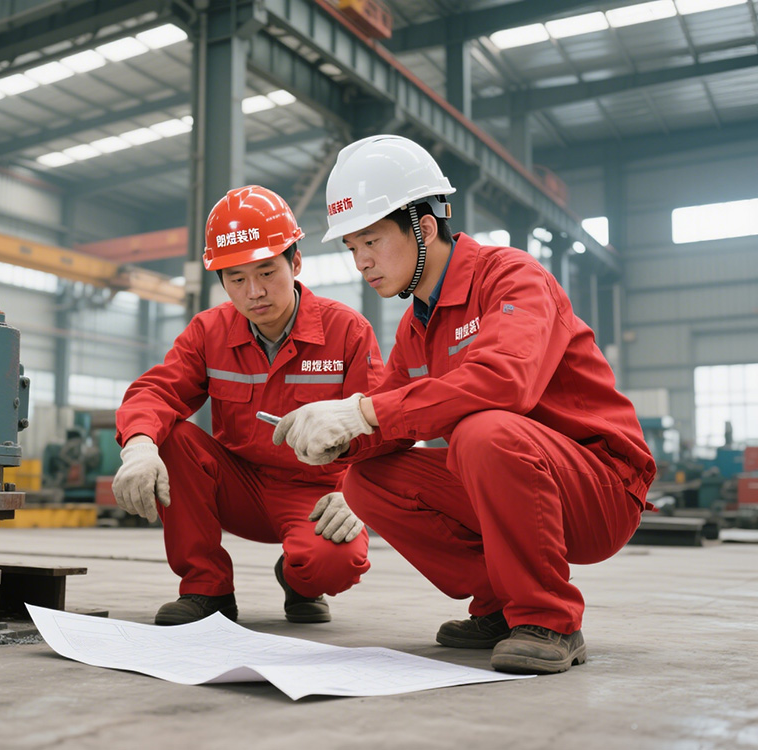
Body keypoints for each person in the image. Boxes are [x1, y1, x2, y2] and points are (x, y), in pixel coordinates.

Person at [272, 135, 656, 674]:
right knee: (368, 480)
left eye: (371, 241)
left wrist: (360, 413)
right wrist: (337, 439)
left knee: (484, 430)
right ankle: (501, 605)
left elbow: (505, 381)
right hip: (510, 477)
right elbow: (389, 418)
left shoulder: (511, 276)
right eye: (352, 247)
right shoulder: (418, 326)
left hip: (599, 488)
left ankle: (550, 619)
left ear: (424, 227)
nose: (361, 262)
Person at [112, 185, 383, 625]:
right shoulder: (208, 332)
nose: (254, 291)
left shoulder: (347, 331)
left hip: (315, 494)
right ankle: (207, 590)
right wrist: (140, 446)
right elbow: (156, 393)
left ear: (295, 263)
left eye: (267, 272)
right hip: (237, 487)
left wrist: (358, 495)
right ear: (221, 281)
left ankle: (299, 579)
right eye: (237, 279)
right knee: (172, 436)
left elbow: (381, 422)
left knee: (335, 563)